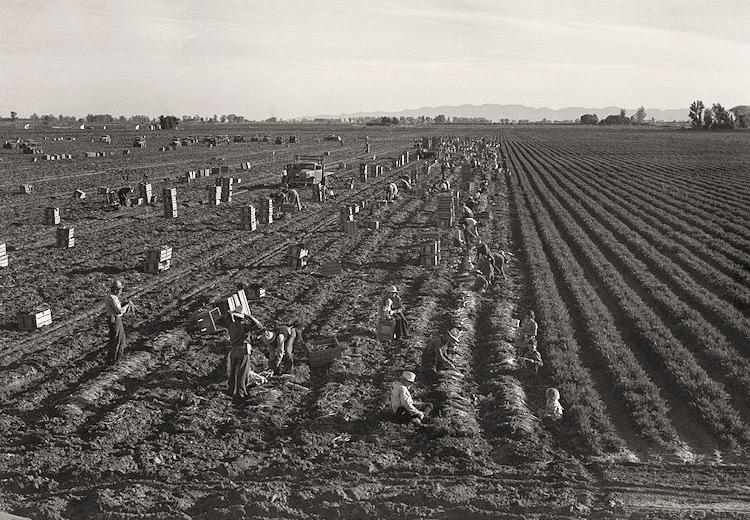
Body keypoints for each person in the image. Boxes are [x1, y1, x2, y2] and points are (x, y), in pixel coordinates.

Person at [225, 310, 264, 403]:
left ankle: (231, 390)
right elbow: (260, 326)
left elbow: (218, 321)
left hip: (233, 350)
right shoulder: (244, 327)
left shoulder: (231, 325)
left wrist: (226, 315)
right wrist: (250, 316)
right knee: (242, 371)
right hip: (243, 350)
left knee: (233, 372)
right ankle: (240, 393)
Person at [104, 280, 130, 364]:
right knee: (117, 340)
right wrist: (126, 306)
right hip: (115, 320)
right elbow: (119, 311)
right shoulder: (112, 298)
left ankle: (114, 358)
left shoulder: (112, 297)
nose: (121, 292)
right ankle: (115, 360)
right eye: (120, 290)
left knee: (118, 339)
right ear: (115, 290)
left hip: (114, 319)